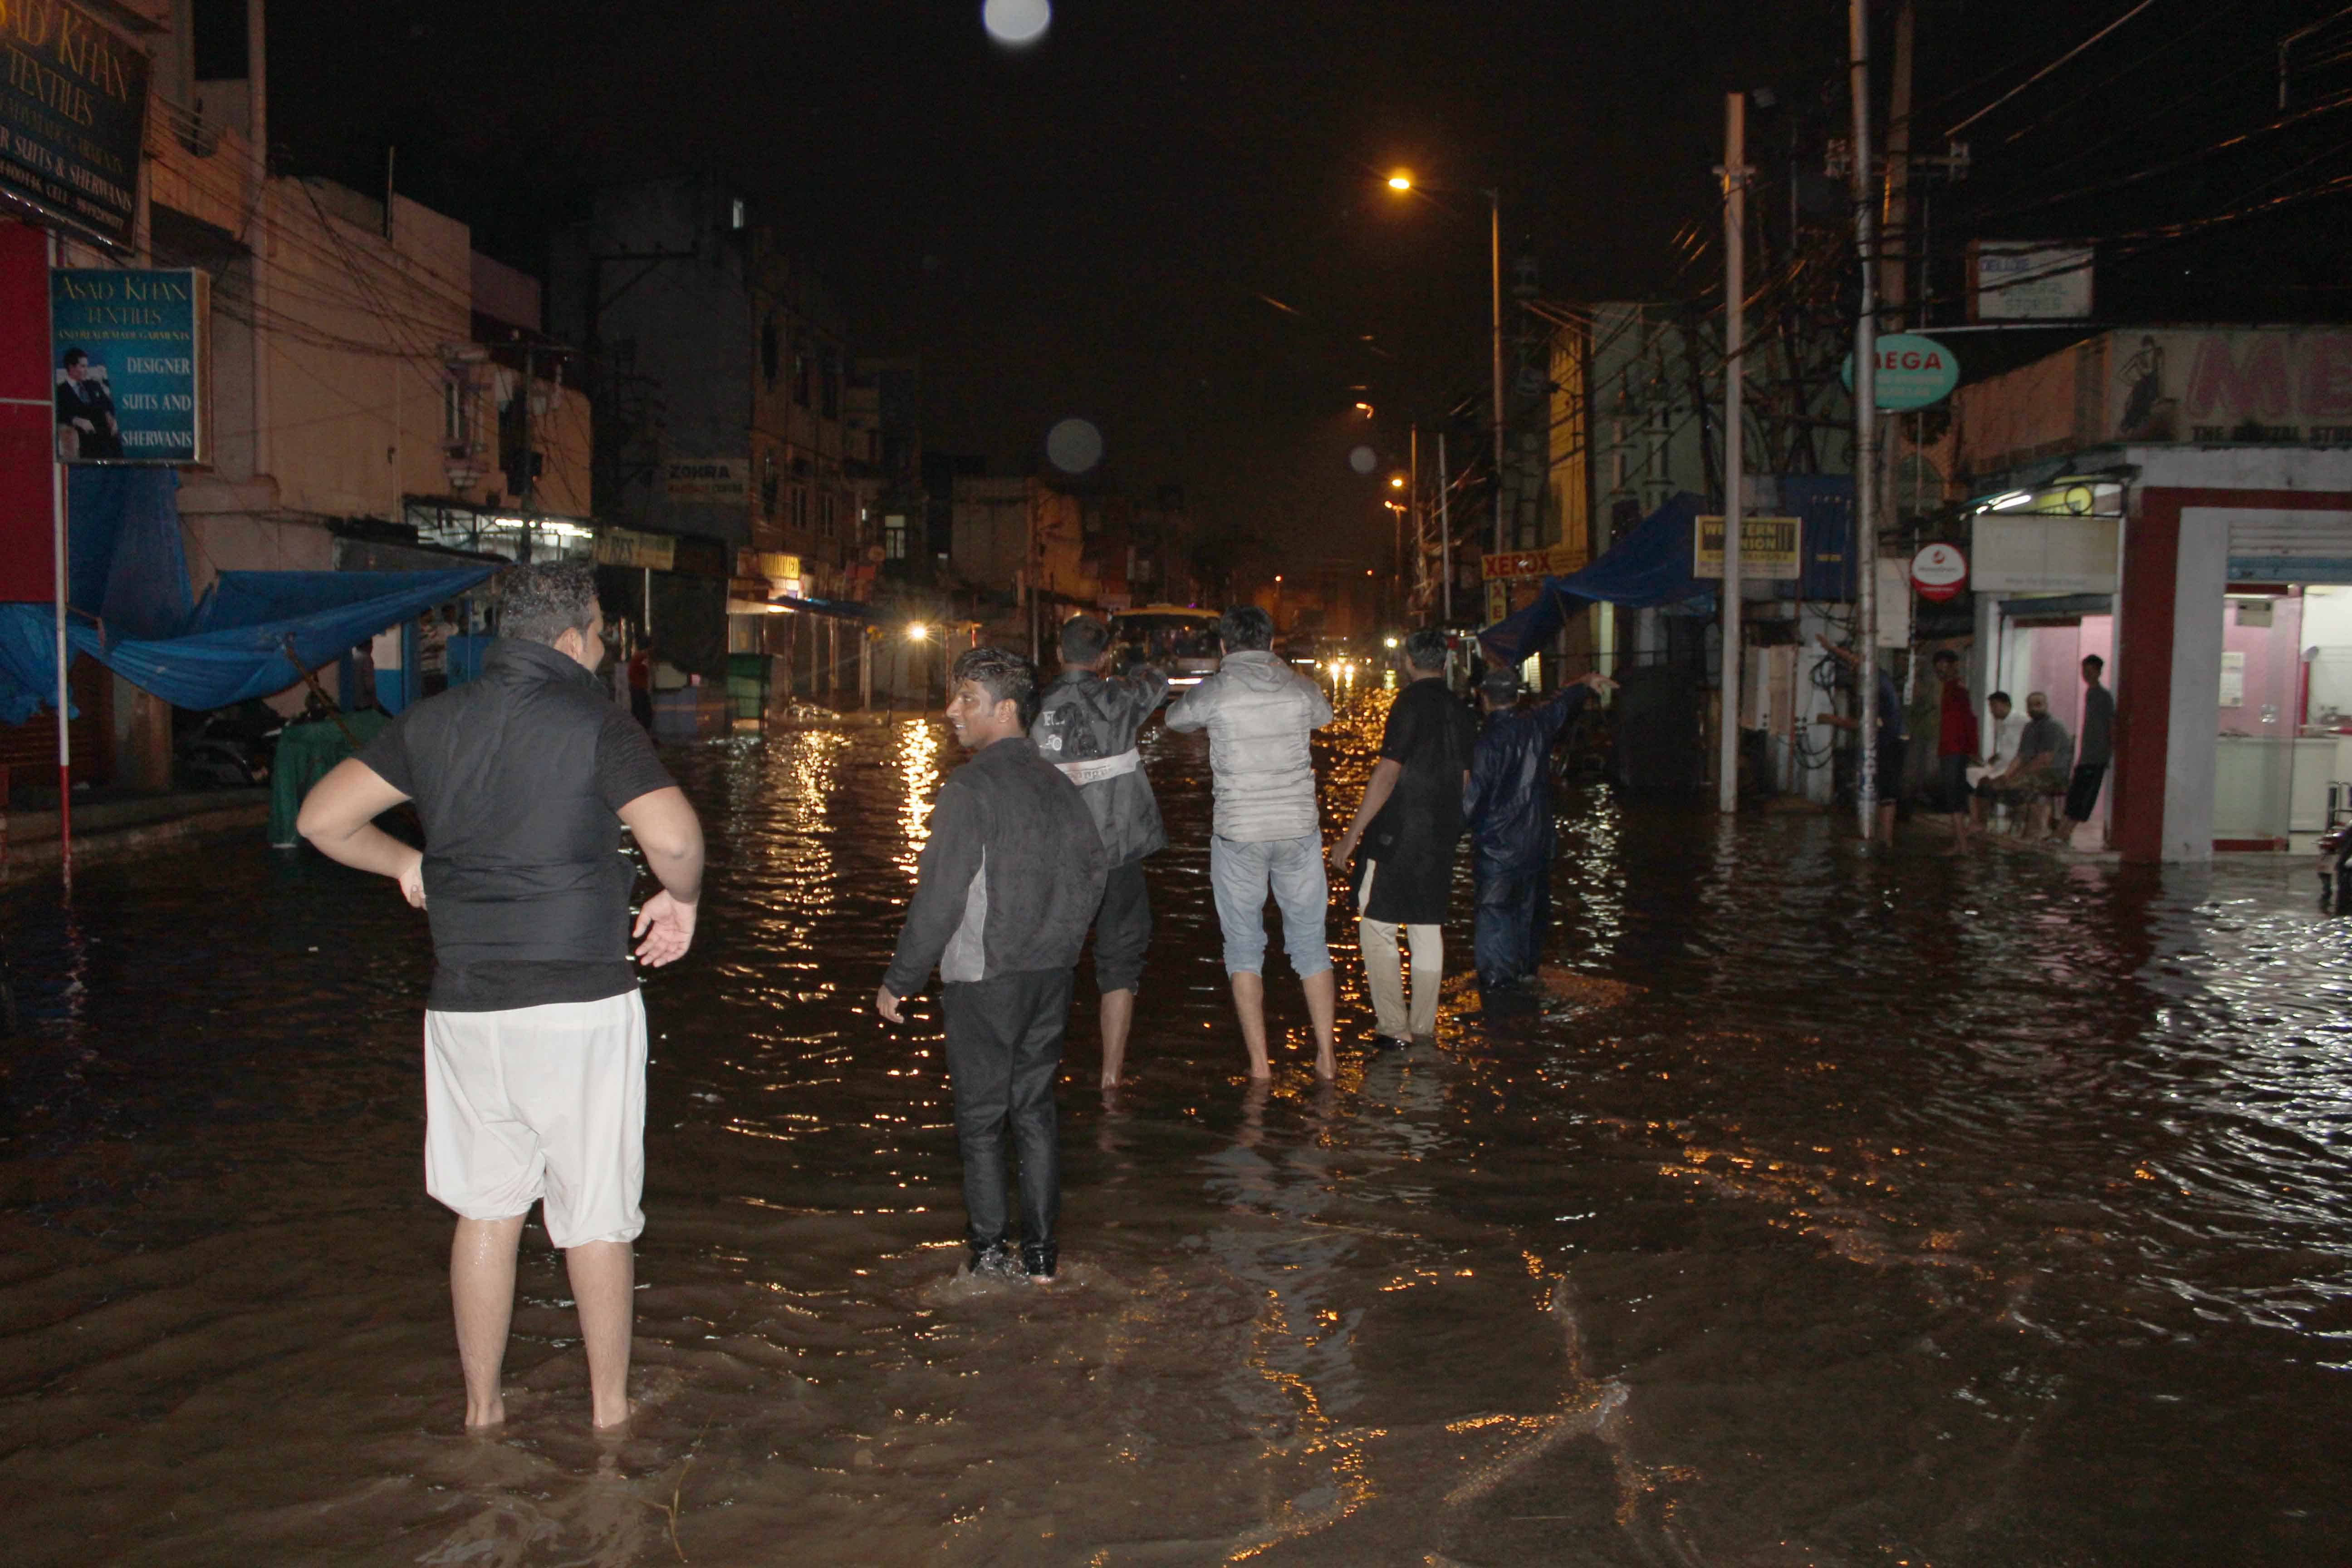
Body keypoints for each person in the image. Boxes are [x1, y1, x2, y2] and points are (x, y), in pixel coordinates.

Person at [296, 562, 704, 1432]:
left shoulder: (433, 720)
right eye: (600, 635)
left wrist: (408, 863)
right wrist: (683, 898)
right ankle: (608, 1413)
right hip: (577, 1007)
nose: (603, 651)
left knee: (485, 1210)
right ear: (572, 637)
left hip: (464, 1007)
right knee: (594, 1215)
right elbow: (673, 839)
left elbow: (321, 820)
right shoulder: (595, 721)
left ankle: (482, 1411)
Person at [877, 648, 1107, 1283]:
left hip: (987, 980)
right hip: (1050, 975)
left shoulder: (970, 789)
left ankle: (986, 1260)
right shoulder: (1061, 786)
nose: (952, 711)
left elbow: (940, 896)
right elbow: (1095, 872)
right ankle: (1042, 1263)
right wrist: (1061, 945)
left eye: (968, 700)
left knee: (981, 1122)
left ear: (1005, 710)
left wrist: (901, 978)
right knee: (1034, 1112)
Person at [1165, 604, 1338, 1080]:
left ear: (1224, 645)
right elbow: (1324, 715)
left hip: (1239, 832)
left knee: (1243, 948)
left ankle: (1261, 1068)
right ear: (1271, 642)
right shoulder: (1299, 687)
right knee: (1310, 943)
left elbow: (1175, 719)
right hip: (1297, 830)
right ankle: (1326, 1056)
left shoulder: (1217, 690)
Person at [1030, 615, 1169, 1088]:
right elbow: (1157, 679)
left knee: (1048, 957)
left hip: (1056, 856)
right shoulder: (1123, 698)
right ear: (1104, 657)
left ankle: (1038, 1071)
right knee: (1120, 960)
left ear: (1058, 654)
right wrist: (1134, 663)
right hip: (1119, 851)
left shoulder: (1032, 705)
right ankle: (1111, 1076)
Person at [1330, 626, 1475, 1051]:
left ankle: (1394, 1026)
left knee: (1377, 924)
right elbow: (1466, 779)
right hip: (1441, 833)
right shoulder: (1461, 709)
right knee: (1427, 927)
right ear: (1445, 662)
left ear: (1408, 662)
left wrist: (1351, 836)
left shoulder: (1408, 703)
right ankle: (1424, 1027)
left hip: (1399, 831)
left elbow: (1388, 772)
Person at [1464, 665, 1615, 1016]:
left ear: (1485, 699)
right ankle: (1525, 991)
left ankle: (1500, 1008)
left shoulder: (1486, 744)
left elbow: (1471, 802)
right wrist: (1585, 683)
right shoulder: (1536, 725)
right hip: (1536, 845)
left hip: (1497, 852)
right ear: (1516, 696)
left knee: (1496, 924)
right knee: (1529, 918)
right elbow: (1561, 704)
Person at [1811, 634, 1906, 845]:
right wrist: (1832, 648)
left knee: (1887, 791)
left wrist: (1834, 720)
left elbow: (1865, 725)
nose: (1854, 670)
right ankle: (1882, 836)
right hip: (1887, 739)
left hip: (1891, 741)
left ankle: (1886, 838)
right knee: (1881, 788)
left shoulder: (1877, 682)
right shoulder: (1879, 680)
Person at [1978, 691, 2072, 838]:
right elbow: (2021, 756)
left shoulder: (2052, 726)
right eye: (2031, 705)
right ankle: (1985, 827)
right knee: (1993, 784)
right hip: (2034, 772)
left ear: (2046, 705)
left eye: (2038, 704)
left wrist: (2018, 775)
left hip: (2053, 773)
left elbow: (2045, 760)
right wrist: (2006, 776)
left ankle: (2034, 831)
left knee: (2019, 785)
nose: (2034, 708)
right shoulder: (2030, 727)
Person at [2054, 654, 2114, 847]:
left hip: (2096, 757)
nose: (2086, 675)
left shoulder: (2103, 696)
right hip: (2087, 756)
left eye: (2089, 671)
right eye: (2084, 671)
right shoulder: (2091, 694)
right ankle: (2061, 833)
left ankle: (2065, 834)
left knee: (2082, 797)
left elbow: (2109, 726)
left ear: (2098, 672)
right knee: (2075, 795)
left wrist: (2106, 753)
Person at [1931, 649, 1980, 854]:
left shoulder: (1957, 690)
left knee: (1954, 797)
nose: (1941, 672)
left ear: (1954, 666)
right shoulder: (1950, 689)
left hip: (1955, 750)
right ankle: (1961, 842)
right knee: (1957, 795)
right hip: (1951, 749)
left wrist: (1972, 750)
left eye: (1945, 667)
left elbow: (1969, 722)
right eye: (1939, 668)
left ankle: (1962, 844)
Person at [54, 347, 122, 460]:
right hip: (85, 437)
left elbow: (108, 404)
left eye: (87, 366)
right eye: (83, 367)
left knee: (115, 445)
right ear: (71, 367)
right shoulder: (61, 391)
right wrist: (75, 420)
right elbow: (59, 413)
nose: (86, 370)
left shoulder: (93, 385)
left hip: (106, 434)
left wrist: (110, 416)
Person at [1966, 691, 2017, 831]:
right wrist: (1993, 759)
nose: (1991, 710)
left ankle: (1981, 822)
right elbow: (2006, 749)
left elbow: (2021, 751)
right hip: (2000, 764)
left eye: (1994, 706)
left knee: (1985, 781)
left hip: (2013, 767)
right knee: (1970, 773)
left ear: (2007, 705)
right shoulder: (1999, 723)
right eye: (1990, 707)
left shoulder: (2021, 721)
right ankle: (1975, 819)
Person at [627, 642, 655, 730]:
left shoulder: (637, 658)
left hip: (636, 686)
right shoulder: (642, 658)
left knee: (637, 709)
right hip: (640, 687)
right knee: (643, 710)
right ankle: (644, 728)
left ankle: (638, 728)